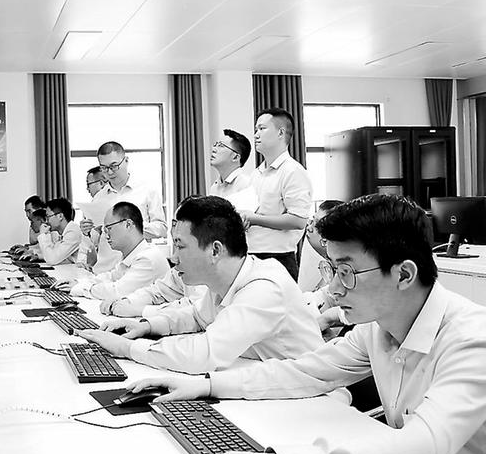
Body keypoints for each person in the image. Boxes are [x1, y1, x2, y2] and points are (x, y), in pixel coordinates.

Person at [129, 194, 486, 454]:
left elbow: (423, 445)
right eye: (332, 271)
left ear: (404, 275)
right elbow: (303, 372)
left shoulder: (472, 340)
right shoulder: (376, 330)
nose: (334, 290)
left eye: (346, 273)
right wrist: (205, 384)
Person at [77, 196, 323, 374]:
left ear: (215, 250)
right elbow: (197, 317)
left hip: (309, 401)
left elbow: (203, 354)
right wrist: (146, 326)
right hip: (265, 381)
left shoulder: (264, 287)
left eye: (180, 246)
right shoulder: (224, 282)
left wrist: (127, 348)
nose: (174, 257)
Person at [239, 108, 312, 281]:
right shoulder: (256, 173)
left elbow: (298, 220)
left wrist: (255, 219)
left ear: (280, 132)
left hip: (278, 258)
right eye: (255, 129)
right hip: (250, 255)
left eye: (262, 128)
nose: (256, 135)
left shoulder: (293, 171)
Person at [55, 201, 169, 300]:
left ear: (128, 224)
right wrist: (79, 282)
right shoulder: (132, 254)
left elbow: (117, 291)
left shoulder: (147, 259)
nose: (106, 235)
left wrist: (79, 288)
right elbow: (111, 277)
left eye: (109, 228)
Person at [82, 141, 167, 273]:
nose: (110, 172)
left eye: (114, 166)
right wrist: (88, 232)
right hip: (105, 270)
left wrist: (133, 227)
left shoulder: (147, 190)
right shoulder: (99, 197)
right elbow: (95, 240)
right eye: (104, 168)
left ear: (126, 161)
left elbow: (161, 229)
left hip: (136, 267)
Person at [208, 129, 256, 211]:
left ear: (235, 157)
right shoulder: (214, 187)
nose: (214, 149)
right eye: (215, 145)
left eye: (221, 145)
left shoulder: (247, 184)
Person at [35, 198, 81, 265]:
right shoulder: (62, 232)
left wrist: (43, 235)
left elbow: (52, 260)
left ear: (60, 216)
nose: (46, 221)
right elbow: (54, 252)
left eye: (48, 216)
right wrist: (38, 256)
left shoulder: (73, 232)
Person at [77, 166, 107, 268]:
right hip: (96, 264)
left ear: (101, 183)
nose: (87, 189)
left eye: (88, 184)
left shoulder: (115, 205)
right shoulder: (91, 208)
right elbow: (89, 241)